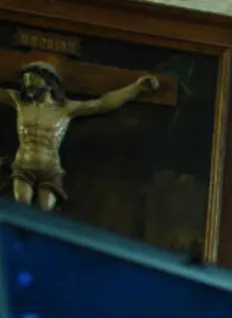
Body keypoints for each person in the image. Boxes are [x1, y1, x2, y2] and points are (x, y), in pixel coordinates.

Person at [3, 62, 160, 211]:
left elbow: (103, 104)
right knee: (21, 208)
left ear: (48, 82)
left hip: (49, 168)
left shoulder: (65, 108)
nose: (28, 83)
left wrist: (136, 87)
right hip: (23, 164)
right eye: (26, 79)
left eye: (33, 79)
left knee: (44, 213)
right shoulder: (18, 101)